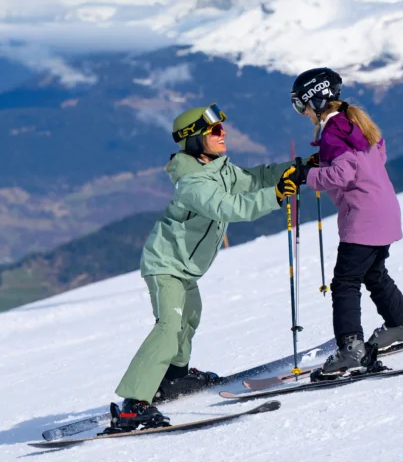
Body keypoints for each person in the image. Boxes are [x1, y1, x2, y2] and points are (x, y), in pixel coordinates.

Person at [107, 104, 305, 432]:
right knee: (169, 327)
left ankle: (174, 378)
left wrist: (298, 168)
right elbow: (231, 206)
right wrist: (276, 195)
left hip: (185, 267)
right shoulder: (193, 184)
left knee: (189, 319)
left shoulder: (219, 169)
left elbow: (255, 178)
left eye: (221, 128)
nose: (223, 133)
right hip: (166, 264)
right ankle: (134, 403)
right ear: (195, 139)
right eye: (214, 130)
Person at [289, 68, 403, 376]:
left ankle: (351, 350)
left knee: (345, 283)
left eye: (301, 104)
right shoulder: (354, 121)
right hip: (385, 211)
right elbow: (374, 157)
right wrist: (323, 162)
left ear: (316, 101)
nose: (302, 112)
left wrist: (308, 175)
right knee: (374, 272)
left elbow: (343, 174)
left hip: (363, 218)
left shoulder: (333, 132)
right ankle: (402, 324)